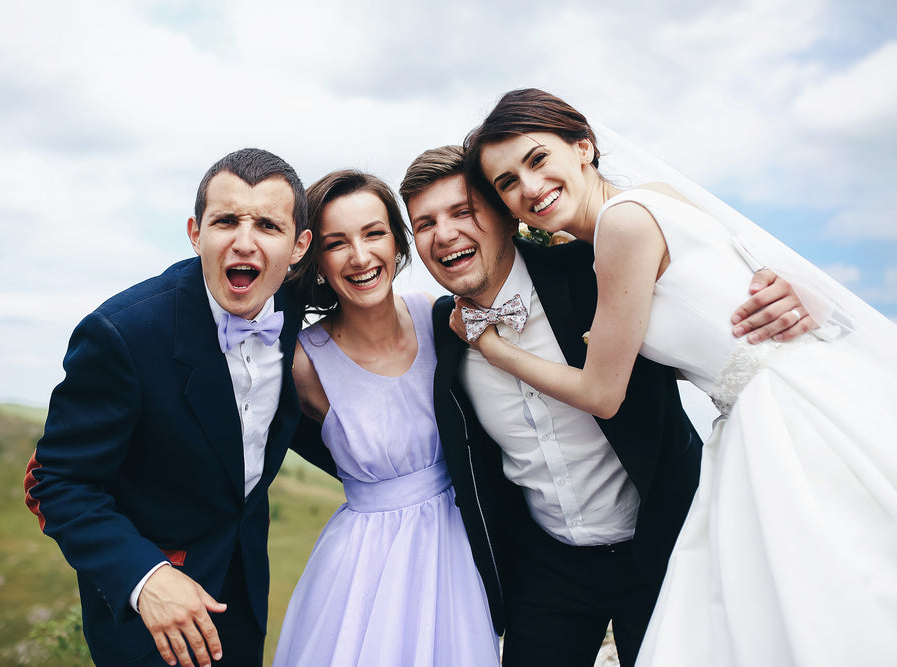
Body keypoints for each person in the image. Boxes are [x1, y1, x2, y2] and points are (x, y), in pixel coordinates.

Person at [461, 88, 897, 666]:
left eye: (538, 160)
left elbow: (601, 393)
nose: (529, 188)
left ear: (584, 147)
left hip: (788, 417)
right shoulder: (652, 201)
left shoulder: (622, 227)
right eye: (507, 183)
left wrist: (490, 346)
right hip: (793, 394)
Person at [399, 144, 809, 667]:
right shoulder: (441, 329)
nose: (445, 234)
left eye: (462, 212)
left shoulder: (597, 270)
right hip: (544, 568)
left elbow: (700, 279)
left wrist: (775, 286)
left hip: (663, 544)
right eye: (425, 224)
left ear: (505, 217)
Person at [23, 148, 334, 667]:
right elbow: (57, 482)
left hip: (244, 594)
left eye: (267, 225)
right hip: (151, 622)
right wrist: (146, 579)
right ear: (195, 232)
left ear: (299, 246)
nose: (244, 241)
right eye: (226, 220)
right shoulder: (123, 334)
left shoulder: (288, 308)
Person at [271, 170, 500, 667]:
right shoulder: (303, 363)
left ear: (398, 241)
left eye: (374, 233)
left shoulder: (443, 318)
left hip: (466, 544)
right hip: (367, 568)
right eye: (337, 243)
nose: (360, 256)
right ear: (316, 258)